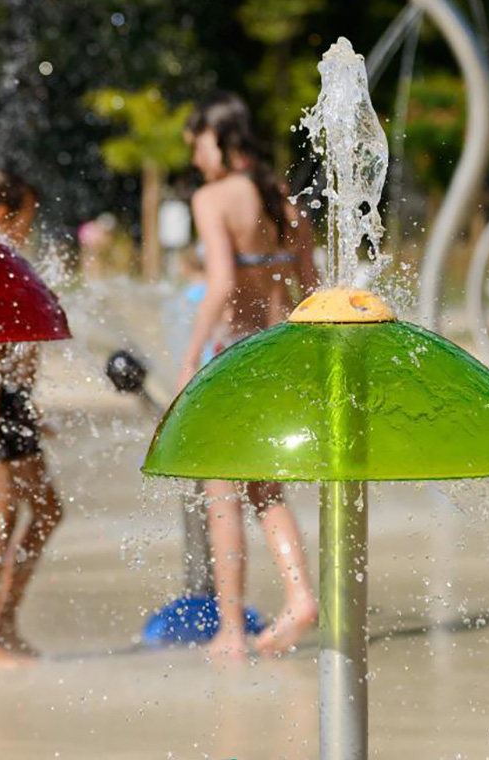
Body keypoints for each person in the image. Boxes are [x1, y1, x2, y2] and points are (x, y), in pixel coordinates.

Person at [179, 92, 319, 660]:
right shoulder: (283, 198)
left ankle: (231, 632)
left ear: (221, 139)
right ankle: (299, 596)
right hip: (284, 353)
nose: (194, 159)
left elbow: (217, 284)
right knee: (267, 490)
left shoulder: (213, 198)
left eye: (196, 145)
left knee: (222, 495)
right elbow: (312, 285)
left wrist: (189, 361)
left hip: (236, 357)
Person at [0, 168, 64, 670]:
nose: (30, 226)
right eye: (27, 216)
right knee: (1, 527)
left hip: (10, 404)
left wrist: (28, 408)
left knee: (45, 513)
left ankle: (2, 625)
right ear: (2, 214)